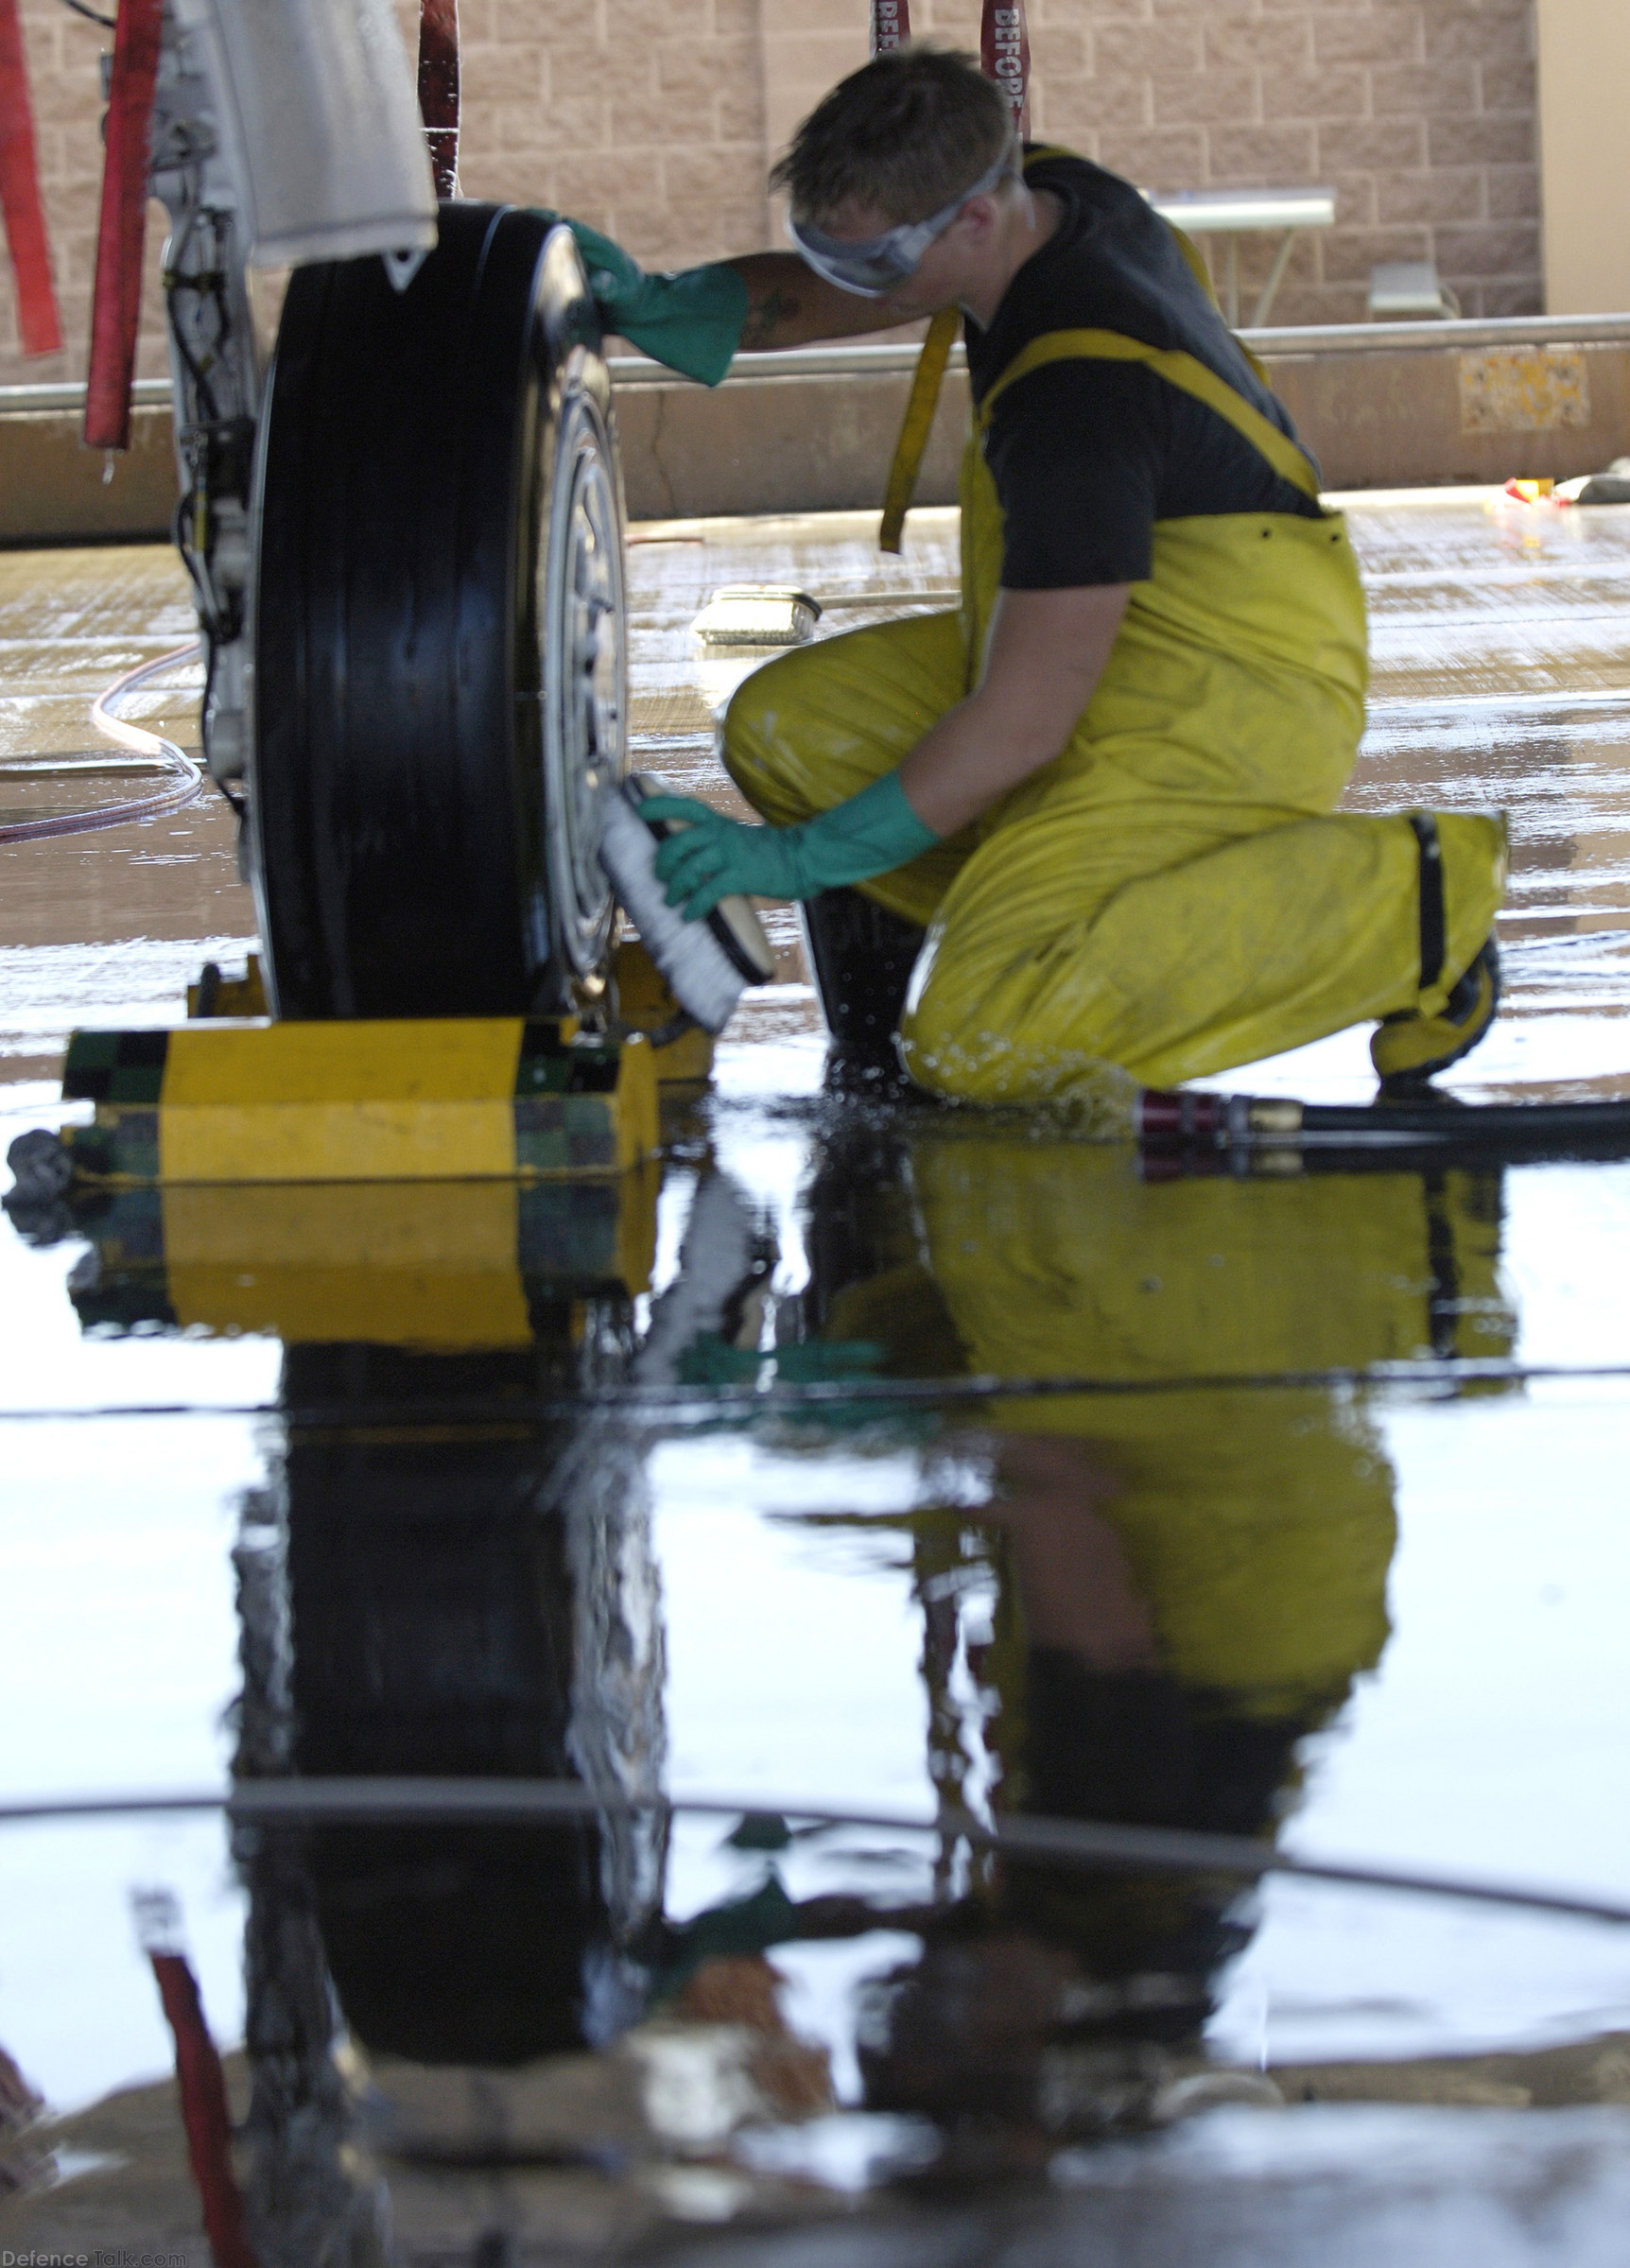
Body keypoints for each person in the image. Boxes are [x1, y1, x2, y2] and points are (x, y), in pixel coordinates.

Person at [547, 45, 1506, 1118]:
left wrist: (793, 858)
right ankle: (1026, 927)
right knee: (786, 727)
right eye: (825, 250)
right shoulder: (1039, 194)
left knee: (979, 1041)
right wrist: (670, 304)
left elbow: (1022, 721)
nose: (844, 282)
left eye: (868, 263)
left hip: (1226, 690)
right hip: (1113, 630)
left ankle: (1418, 916)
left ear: (968, 219)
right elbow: (833, 290)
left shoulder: (1080, 396)